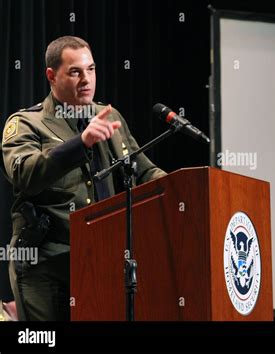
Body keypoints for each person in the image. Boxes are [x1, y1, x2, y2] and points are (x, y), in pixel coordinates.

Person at [0, 36, 166, 321]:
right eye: (75, 71)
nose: (86, 79)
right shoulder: (26, 123)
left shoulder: (110, 116)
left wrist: (182, 189)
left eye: (91, 69)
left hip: (105, 258)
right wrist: (81, 143)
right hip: (47, 264)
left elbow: (144, 171)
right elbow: (25, 174)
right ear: (51, 76)